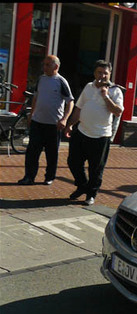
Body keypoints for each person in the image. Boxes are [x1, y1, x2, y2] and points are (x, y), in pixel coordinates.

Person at [63, 60, 123, 206]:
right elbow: (78, 108)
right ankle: (83, 186)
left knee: (95, 168)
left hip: (101, 136)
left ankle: (91, 194)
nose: (102, 76)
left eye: (105, 73)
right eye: (99, 72)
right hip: (82, 131)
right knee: (73, 162)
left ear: (110, 74)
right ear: (94, 73)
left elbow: (118, 111)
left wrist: (105, 96)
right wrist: (69, 125)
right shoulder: (88, 87)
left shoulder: (115, 91)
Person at [17, 55, 74, 185]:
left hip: (53, 125)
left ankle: (49, 177)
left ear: (56, 67)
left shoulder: (61, 81)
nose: (44, 67)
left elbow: (70, 101)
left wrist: (65, 119)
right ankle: (29, 177)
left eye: (48, 65)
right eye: (44, 64)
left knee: (51, 153)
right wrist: (31, 115)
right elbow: (36, 97)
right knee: (32, 152)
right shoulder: (41, 79)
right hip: (38, 122)